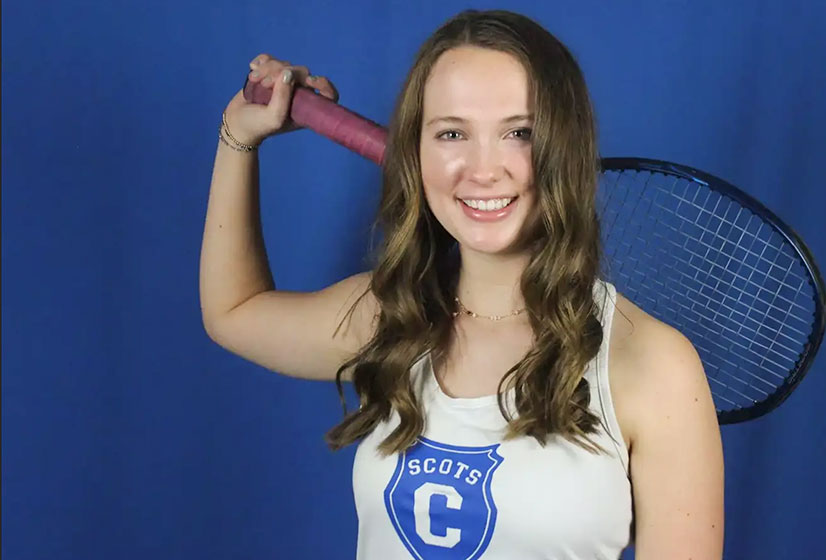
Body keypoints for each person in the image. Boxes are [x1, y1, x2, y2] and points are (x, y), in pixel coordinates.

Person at [200, 9, 724, 559]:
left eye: (519, 133)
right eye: (452, 133)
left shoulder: (653, 365)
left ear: (563, 149)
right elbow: (233, 311)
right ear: (417, 150)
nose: (482, 169)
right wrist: (238, 135)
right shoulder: (391, 316)